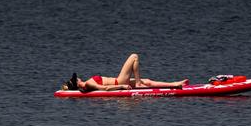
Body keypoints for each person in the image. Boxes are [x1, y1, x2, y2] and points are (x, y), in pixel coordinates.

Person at [60, 53, 188, 92]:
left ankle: (176, 84)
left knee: (147, 81)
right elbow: (104, 88)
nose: (78, 78)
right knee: (134, 56)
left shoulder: (87, 84)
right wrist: (121, 86)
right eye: (76, 79)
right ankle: (138, 83)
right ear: (77, 83)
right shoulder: (88, 84)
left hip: (119, 80)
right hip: (119, 81)